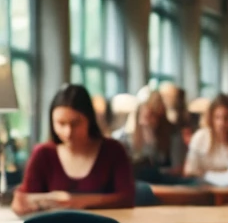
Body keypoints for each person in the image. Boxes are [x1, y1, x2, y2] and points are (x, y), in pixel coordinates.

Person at [12, 83, 136, 215]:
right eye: (61, 123)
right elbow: (20, 203)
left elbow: (126, 198)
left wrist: (74, 202)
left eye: (75, 123)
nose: (68, 132)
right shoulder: (43, 154)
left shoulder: (113, 150)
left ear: (89, 119)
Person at [183, 93, 228, 186]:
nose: (221, 123)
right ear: (211, 118)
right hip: (202, 192)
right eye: (217, 118)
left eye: (226, 118)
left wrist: (206, 174)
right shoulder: (200, 138)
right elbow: (191, 170)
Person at [116, 90, 187, 179]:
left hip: (167, 183)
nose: (149, 122)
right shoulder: (127, 137)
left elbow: (177, 169)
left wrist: (155, 172)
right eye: (145, 116)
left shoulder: (174, 134)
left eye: (152, 115)